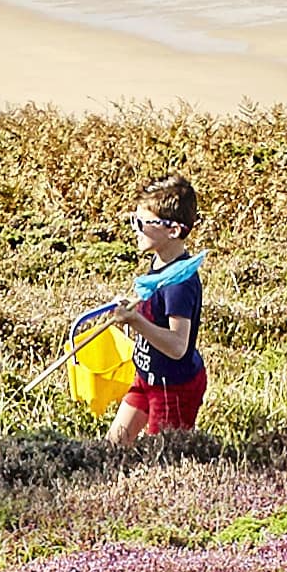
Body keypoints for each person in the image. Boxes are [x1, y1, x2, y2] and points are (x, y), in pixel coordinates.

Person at [106, 175, 208, 441]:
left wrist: (135, 322)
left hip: (174, 389)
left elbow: (177, 346)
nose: (135, 229)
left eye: (142, 223)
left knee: (161, 458)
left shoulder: (179, 284)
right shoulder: (159, 263)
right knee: (114, 445)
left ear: (173, 230)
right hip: (146, 379)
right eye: (134, 220)